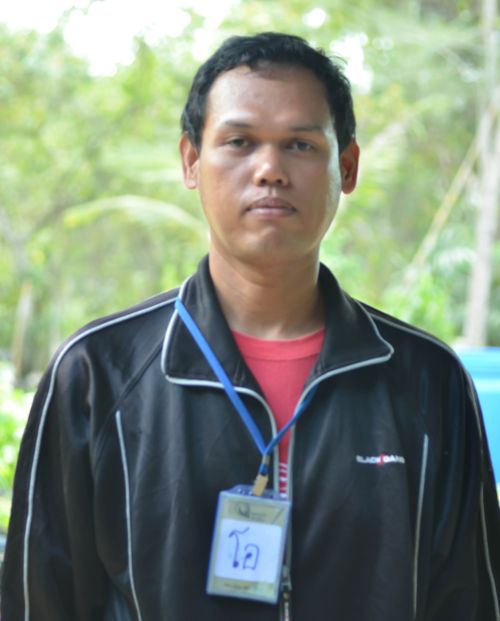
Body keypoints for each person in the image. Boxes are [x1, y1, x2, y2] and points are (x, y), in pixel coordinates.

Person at [1, 32, 499, 621]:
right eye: (239, 142)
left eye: (300, 145)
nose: (269, 170)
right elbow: (40, 603)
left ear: (347, 166)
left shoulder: (428, 381)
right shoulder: (96, 375)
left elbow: (471, 602)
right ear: (191, 161)